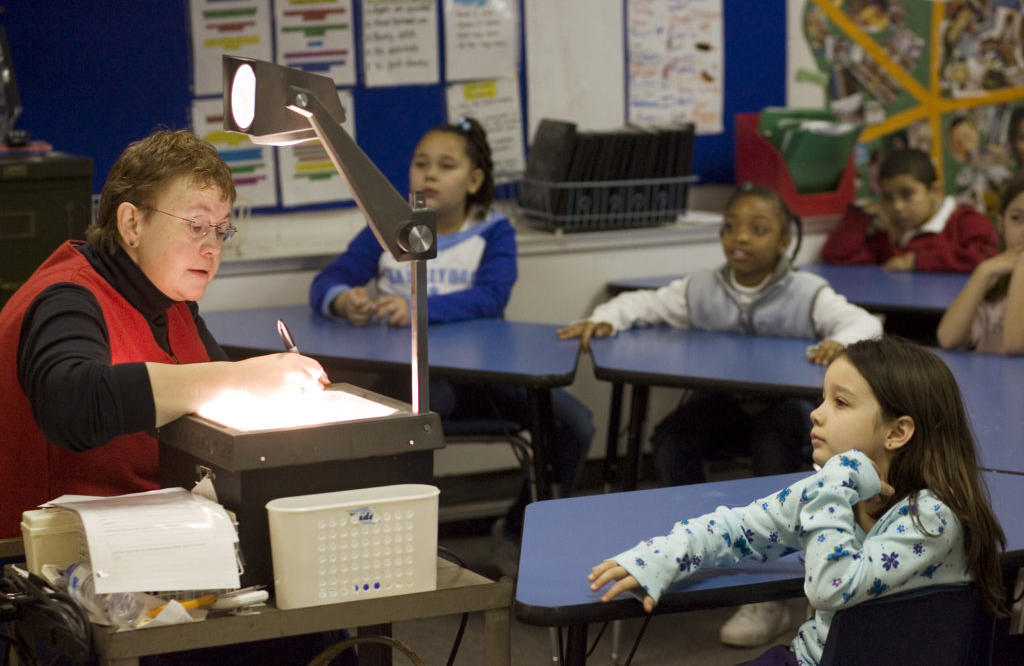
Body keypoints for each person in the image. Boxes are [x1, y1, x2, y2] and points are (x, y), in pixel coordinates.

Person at [0, 129, 353, 665]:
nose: (211, 248)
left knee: (325, 627)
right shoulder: (67, 299)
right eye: (194, 226)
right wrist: (237, 378)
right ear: (131, 223)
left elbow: (209, 411)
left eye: (221, 229)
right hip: (58, 579)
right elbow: (74, 403)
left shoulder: (172, 300)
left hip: (153, 545)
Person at [558, 183, 881, 648]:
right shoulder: (703, 287)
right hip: (730, 405)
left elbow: (865, 323)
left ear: (785, 241)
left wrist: (841, 342)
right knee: (671, 437)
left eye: (758, 229)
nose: (740, 238)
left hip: (783, 409)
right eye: (730, 227)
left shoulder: (807, 291)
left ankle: (769, 593)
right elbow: (646, 303)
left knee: (773, 446)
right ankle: (688, 549)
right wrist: (609, 317)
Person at [588, 337, 1007, 666]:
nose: (816, 414)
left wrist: (836, 482)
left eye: (840, 403)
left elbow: (830, 589)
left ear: (897, 433)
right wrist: (664, 555)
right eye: (822, 398)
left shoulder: (932, 517)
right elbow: (741, 528)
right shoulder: (827, 491)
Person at [309, 116, 594, 577]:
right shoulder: (387, 225)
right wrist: (344, 301)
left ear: (475, 179)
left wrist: (418, 308)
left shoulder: (493, 231)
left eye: (446, 165)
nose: (430, 175)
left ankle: (521, 531)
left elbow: (491, 296)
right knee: (414, 419)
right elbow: (329, 279)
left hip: (483, 379)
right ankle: (392, 545)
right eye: (421, 164)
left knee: (573, 424)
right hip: (410, 381)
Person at [821, 147, 999, 272]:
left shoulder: (964, 219)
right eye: (888, 198)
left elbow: (988, 255)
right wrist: (859, 216)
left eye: (907, 194)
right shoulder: (888, 236)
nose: (897, 206)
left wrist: (917, 262)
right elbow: (836, 255)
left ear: (935, 192)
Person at [937, 172, 1024, 354]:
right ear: (1001, 224)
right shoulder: (994, 283)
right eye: (1017, 218)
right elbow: (948, 338)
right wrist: (984, 271)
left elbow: (1014, 345)